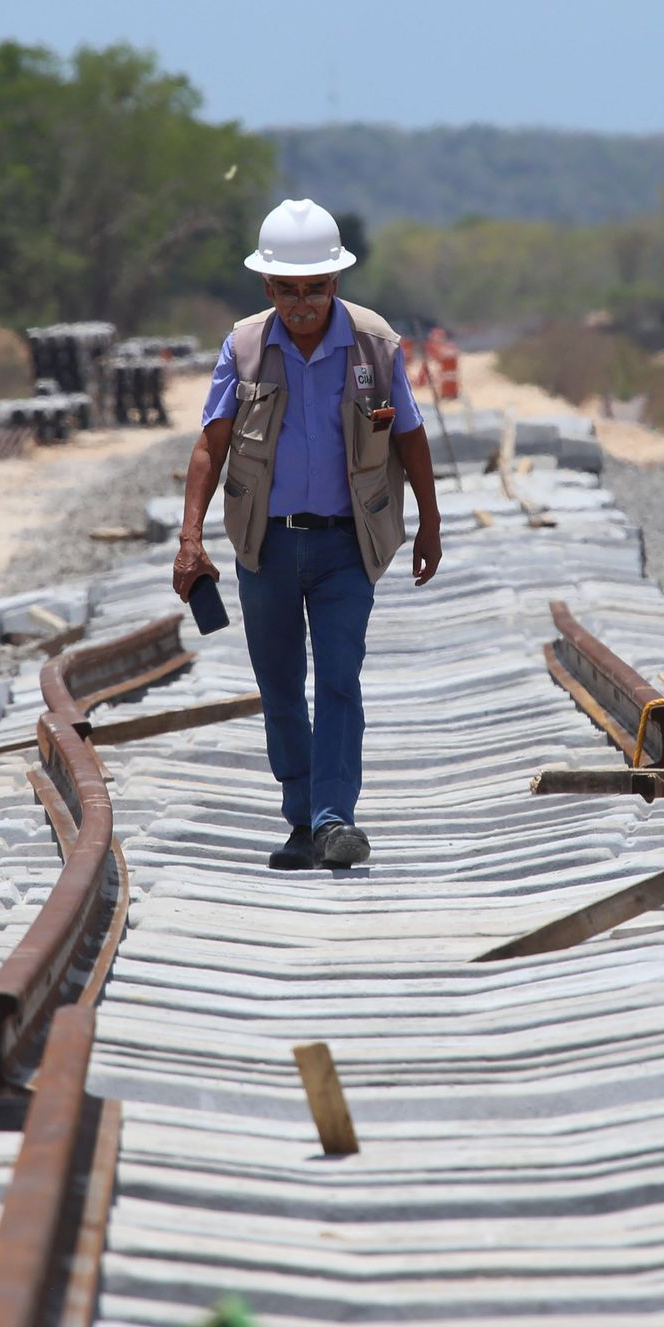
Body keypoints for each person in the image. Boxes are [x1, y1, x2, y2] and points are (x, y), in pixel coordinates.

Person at [172, 198, 443, 870]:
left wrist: (430, 523)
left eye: (314, 289)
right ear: (268, 287)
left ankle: (334, 818)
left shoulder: (375, 346)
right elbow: (211, 445)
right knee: (282, 683)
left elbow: (408, 434)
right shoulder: (243, 347)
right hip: (264, 544)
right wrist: (190, 538)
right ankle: (302, 819)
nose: (302, 304)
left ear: (335, 283)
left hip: (345, 546)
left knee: (341, 678)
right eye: (287, 291)